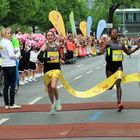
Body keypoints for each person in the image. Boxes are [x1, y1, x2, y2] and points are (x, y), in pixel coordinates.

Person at [100, 28, 140, 112]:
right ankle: (110, 86)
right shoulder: (108, 43)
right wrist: (102, 49)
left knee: (118, 83)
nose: (115, 33)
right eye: (113, 32)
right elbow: (101, 50)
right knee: (110, 86)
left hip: (118, 66)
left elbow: (128, 52)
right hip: (109, 67)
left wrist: (137, 48)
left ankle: (119, 103)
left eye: (116, 32)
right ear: (110, 34)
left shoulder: (120, 44)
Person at [37, 31, 64, 115]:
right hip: (47, 69)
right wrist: (49, 59)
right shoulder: (45, 46)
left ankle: (58, 101)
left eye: (51, 35)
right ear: (46, 37)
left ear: (54, 36)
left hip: (56, 68)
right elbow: (39, 57)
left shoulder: (57, 45)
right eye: (48, 35)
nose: (50, 37)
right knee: (49, 89)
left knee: (53, 86)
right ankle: (52, 105)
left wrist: (60, 60)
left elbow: (59, 55)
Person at [0, 28, 22, 109]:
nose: (9, 35)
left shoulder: (1, 42)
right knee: (12, 84)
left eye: (10, 33)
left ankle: (6, 104)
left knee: (6, 85)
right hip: (11, 64)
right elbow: (11, 54)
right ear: (4, 34)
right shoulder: (8, 42)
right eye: (8, 33)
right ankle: (12, 104)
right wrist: (17, 56)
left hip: (4, 64)